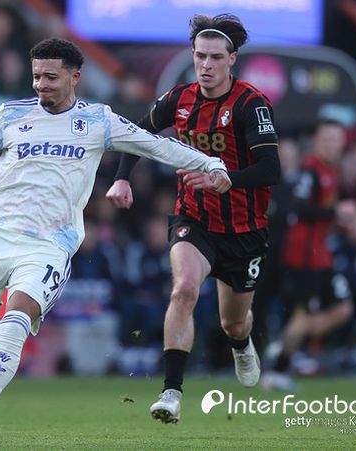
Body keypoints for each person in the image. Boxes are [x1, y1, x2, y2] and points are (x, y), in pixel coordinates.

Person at [0, 37, 231, 446]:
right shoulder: (11, 115)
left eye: (50, 77)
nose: (41, 85)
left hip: (49, 245)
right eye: (36, 76)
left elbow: (156, 146)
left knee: (15, 325)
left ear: (75, 77)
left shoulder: (98, 121)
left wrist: (211, 162)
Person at [105, 13, 280, 424]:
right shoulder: (179, 99)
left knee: (233, 323)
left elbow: (271, 169)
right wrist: (122, 178)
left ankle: (241, 344)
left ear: (232, 59)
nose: (206, 65)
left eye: (216, 57)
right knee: (184, 290)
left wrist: (227, 179)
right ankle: (171, 393)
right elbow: (137, 135)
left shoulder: (251, 104)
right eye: (200, 56)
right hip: (193, 218)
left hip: (243, 229)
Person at [262, 120, 354, 391]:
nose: (331, 145)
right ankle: (280, 363)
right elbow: (298, 208)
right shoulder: (310, 171)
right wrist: (335, 213)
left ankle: (286, 343)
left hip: (320, 255)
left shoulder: (330, 170)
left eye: (336, 140)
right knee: (306, 316)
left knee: (343, 309)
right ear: (316, 142)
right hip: (304, 257)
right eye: (326, 139)